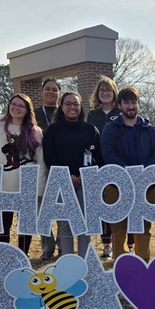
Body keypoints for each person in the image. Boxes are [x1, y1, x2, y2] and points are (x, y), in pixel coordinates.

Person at [100, 86, 155, 261]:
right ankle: (121, 266)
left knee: (143, 228)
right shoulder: (111, 128)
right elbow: (108, 153)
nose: (130, 106)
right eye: (126, 102)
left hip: (146, 186)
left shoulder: (149, 129)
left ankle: (143, 264)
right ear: (119, 105)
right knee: (118, 227)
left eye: (134, 102)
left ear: (138, 104)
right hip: (117, 185)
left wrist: (142, 175)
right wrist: (128, 173)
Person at [40, 91, 102, 258]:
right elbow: (50, 158)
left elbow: (99, 158)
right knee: (65, 224)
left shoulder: (91, 130)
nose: (72, 107)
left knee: (84, 223)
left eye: (75, 104)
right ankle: (67, 262)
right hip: (61, 182)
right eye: (68, 103)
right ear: (62, 107)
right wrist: (68, 176)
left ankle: (83, 260)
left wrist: (85, 176)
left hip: (85, 182)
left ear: (81, 107)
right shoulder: (53, 131)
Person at [0, 93, 44, 255]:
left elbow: (41, 161)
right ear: (9, 105)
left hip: (27, 184)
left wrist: (39, 189)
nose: (16, 108)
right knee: (3, 225)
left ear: (27, 110)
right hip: (3, 184)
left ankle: (22, 257)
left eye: (21, 106)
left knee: (25, 226)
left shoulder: (36, 132)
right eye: (14, 104)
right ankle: (4, 257)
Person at [87, 76, 121, 259]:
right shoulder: (93, 115)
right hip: (99, 166)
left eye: (109, 90)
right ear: (97, 94)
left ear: (114, 92)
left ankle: (123, 244)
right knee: (102, 208)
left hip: (118, 165)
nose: (105, 93)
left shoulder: (121, 112)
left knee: (119, 206)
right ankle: (106, 244)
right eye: (102, 90)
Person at [36, 77, 62, 260]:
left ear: (59, 93)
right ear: (42, 92)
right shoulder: (34, 113)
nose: (51, 92)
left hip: (60, 164)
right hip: (39, 164)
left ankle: (63, 244)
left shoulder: (65, 111)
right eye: (48, 89)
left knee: (62, 208)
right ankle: (47, 245)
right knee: (41, 208)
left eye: (55, 89)